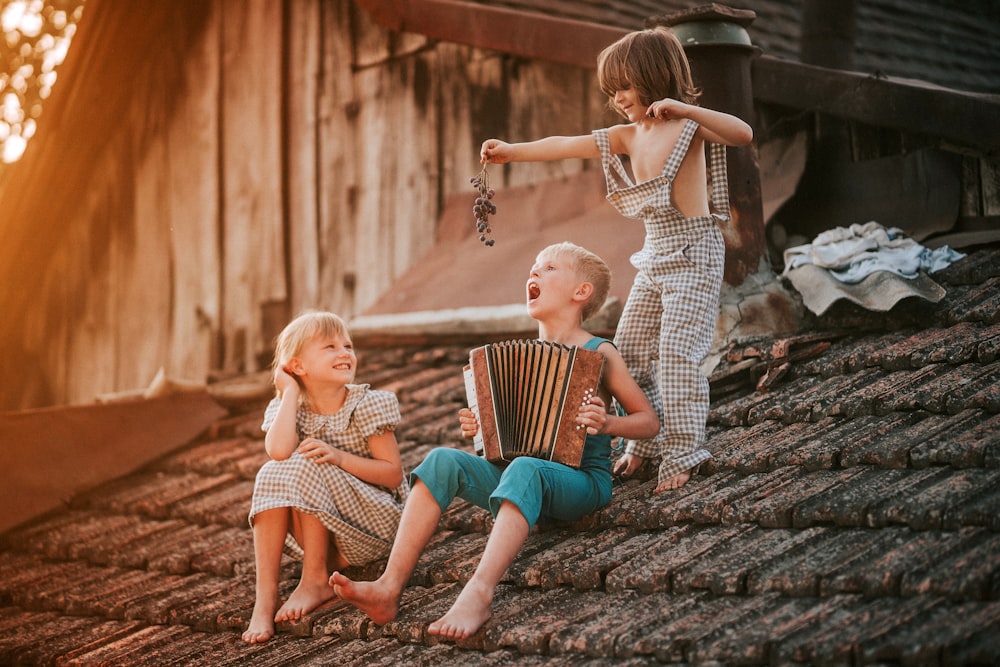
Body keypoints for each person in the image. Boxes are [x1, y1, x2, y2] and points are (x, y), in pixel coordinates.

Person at [330, 242, 659, 640]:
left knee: (524, 468)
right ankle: (388, 587)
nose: (534, 273)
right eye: (533, 267)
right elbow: (508, 438)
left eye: (549, 268)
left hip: (581, 484)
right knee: (440, 460)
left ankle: (479, 593)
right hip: (522, 482)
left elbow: (648, 421)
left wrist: (607, 423)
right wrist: (481, 427)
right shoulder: (521, 358)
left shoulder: (598, 352)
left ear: (581, 292)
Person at [479, 27, 754, 493]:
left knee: (676, 355)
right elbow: (565, 144)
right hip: (654, 255)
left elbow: (742, 133)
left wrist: (685, 107)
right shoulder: (626, 136)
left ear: (656, 76)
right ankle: (642, 444)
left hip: (695, 254)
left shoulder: (688, 128)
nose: (619, 98)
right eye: (612, 92)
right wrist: (513, 152)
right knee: (626, 354)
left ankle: (684, 448)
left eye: (625, 87)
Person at [242, 311, 408, 644]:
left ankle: (315, 577)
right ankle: (266, 597)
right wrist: (289, 393)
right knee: (275, 469)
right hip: (337, 533)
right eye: (330, 346)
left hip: (377, 524)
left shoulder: (366, 405)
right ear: (297, 367)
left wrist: (340, 458)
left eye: (348, 345)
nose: (345, 353)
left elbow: (393, 475)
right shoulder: (287, 408)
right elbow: (277, 451)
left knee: (307, 460)